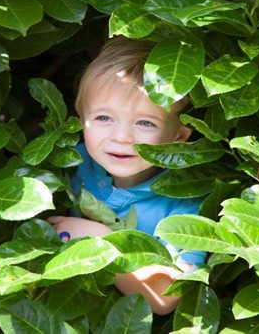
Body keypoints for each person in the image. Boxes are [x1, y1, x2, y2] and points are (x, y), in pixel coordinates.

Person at [47, 36, 205, 315]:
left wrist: (100, 242)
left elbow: (168, 297)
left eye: (145, 122)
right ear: (80, 118)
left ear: (178, 135)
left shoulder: (185, 196)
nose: (121, 137)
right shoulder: (71, 161)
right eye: (103, 118)